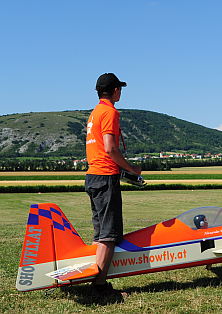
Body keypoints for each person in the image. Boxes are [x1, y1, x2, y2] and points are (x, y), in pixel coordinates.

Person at [85, 72, 141, 298]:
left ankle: (93, 278)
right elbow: (110, 147)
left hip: (92, 176)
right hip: (106, 176)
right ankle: (99, 287)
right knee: (109, 235)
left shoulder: (94, 113)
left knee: (100, 234)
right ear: (115, 90)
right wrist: (130, 169)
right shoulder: (109, 112)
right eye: (120, 89)